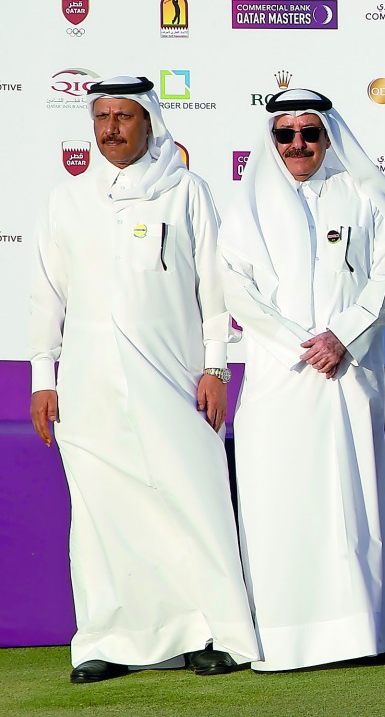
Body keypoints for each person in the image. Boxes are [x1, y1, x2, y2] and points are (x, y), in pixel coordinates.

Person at [29, 75, 258, 683]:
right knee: (101, 515)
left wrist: (216, 367)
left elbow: (214, 289)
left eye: (123, 116)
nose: (110, 129)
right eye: (101, 117)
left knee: (192, 500)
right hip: (88, 384)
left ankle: (212, 632)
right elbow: (48, 296)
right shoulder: (66, 200)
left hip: (174, 377)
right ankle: (107, 640)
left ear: (149, 122)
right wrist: (43, 377)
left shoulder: (186, 192)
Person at [219, 88, 385, 671]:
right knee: (278, 504)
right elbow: (236, 288)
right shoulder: (247, 205)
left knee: (351, 503)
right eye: (285, 134)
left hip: (348, 374)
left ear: (328, 136)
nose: (298, 144)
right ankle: (284, 638)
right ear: (272, 139)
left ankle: (359, 633)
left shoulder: (365, 195)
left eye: (310, 132)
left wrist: (343, 338)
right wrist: (300, 346)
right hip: (277, 378)